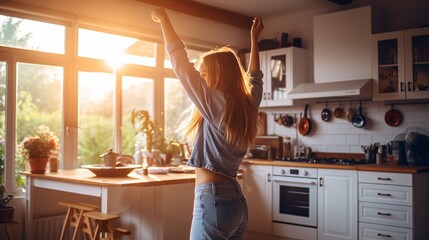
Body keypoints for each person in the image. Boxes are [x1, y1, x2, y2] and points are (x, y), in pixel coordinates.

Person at [152, 8, 264, 240]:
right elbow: (256, 78)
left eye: (204, 75)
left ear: (218, 75)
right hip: (236, 204)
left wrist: (164, 20)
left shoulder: (217, 103)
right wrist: (254, 38)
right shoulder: (247, 105)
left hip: (214, 201)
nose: (201, 80)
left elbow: (180, 64)